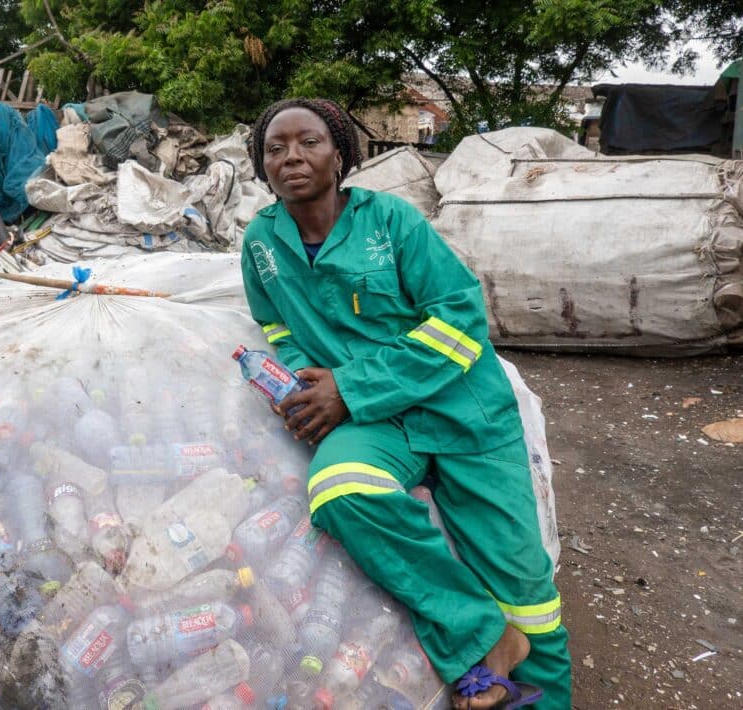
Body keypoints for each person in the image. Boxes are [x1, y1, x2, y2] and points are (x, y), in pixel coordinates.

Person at [240, 98, 572, 710]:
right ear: (262, 166)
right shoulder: (261, 242)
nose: (291, 157)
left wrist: (351, 387)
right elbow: (277, 324)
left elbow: (459, 319)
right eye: (274, 148)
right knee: (341, 489)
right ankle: (485, 635)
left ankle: (542, 692)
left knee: (525, 589)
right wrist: (298, 381)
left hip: (462, 409)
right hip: (375, 420)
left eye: (308, 142)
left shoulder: (392, 222)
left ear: (340, 155)